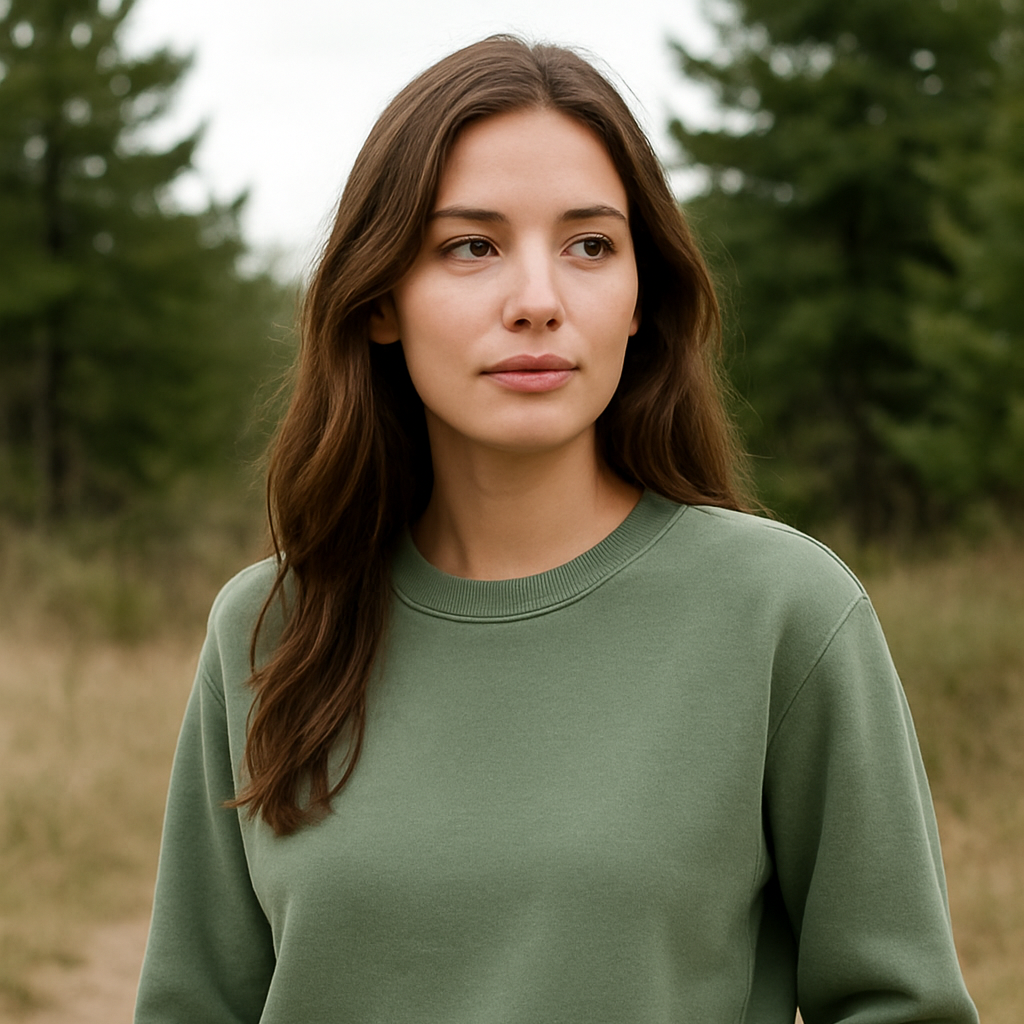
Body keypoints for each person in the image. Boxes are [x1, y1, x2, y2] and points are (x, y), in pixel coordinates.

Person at [134, 35, 977, 1024]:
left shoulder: (784, 614)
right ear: (380, 304)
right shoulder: (267, 626)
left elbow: (898, 1004)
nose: (536, 302)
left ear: (639, 300)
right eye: (470, 246)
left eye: (588, 245)